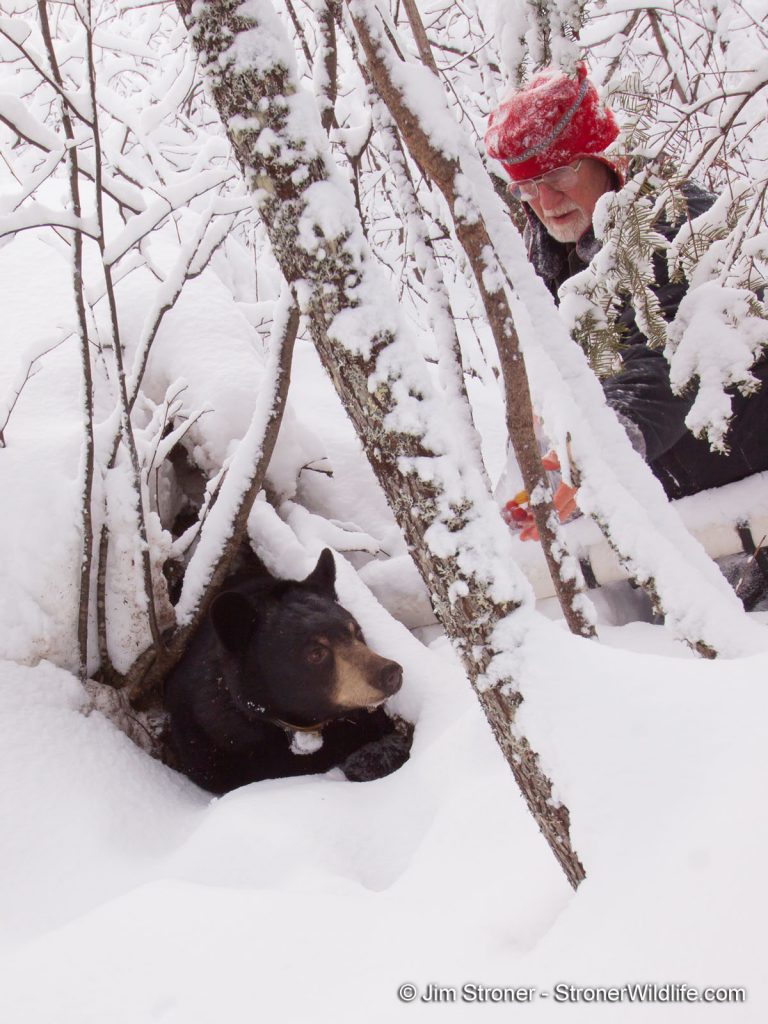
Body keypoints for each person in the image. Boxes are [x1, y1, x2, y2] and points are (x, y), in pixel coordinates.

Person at [484, 63, 768, 505]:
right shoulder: (547, 252)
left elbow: (662, 360)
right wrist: (540, 481)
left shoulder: (675, 223)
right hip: (674, 492)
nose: (546, 201)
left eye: (559, 175)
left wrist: (598, 454)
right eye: (528, 186)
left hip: (747, 479)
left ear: (604, 159)